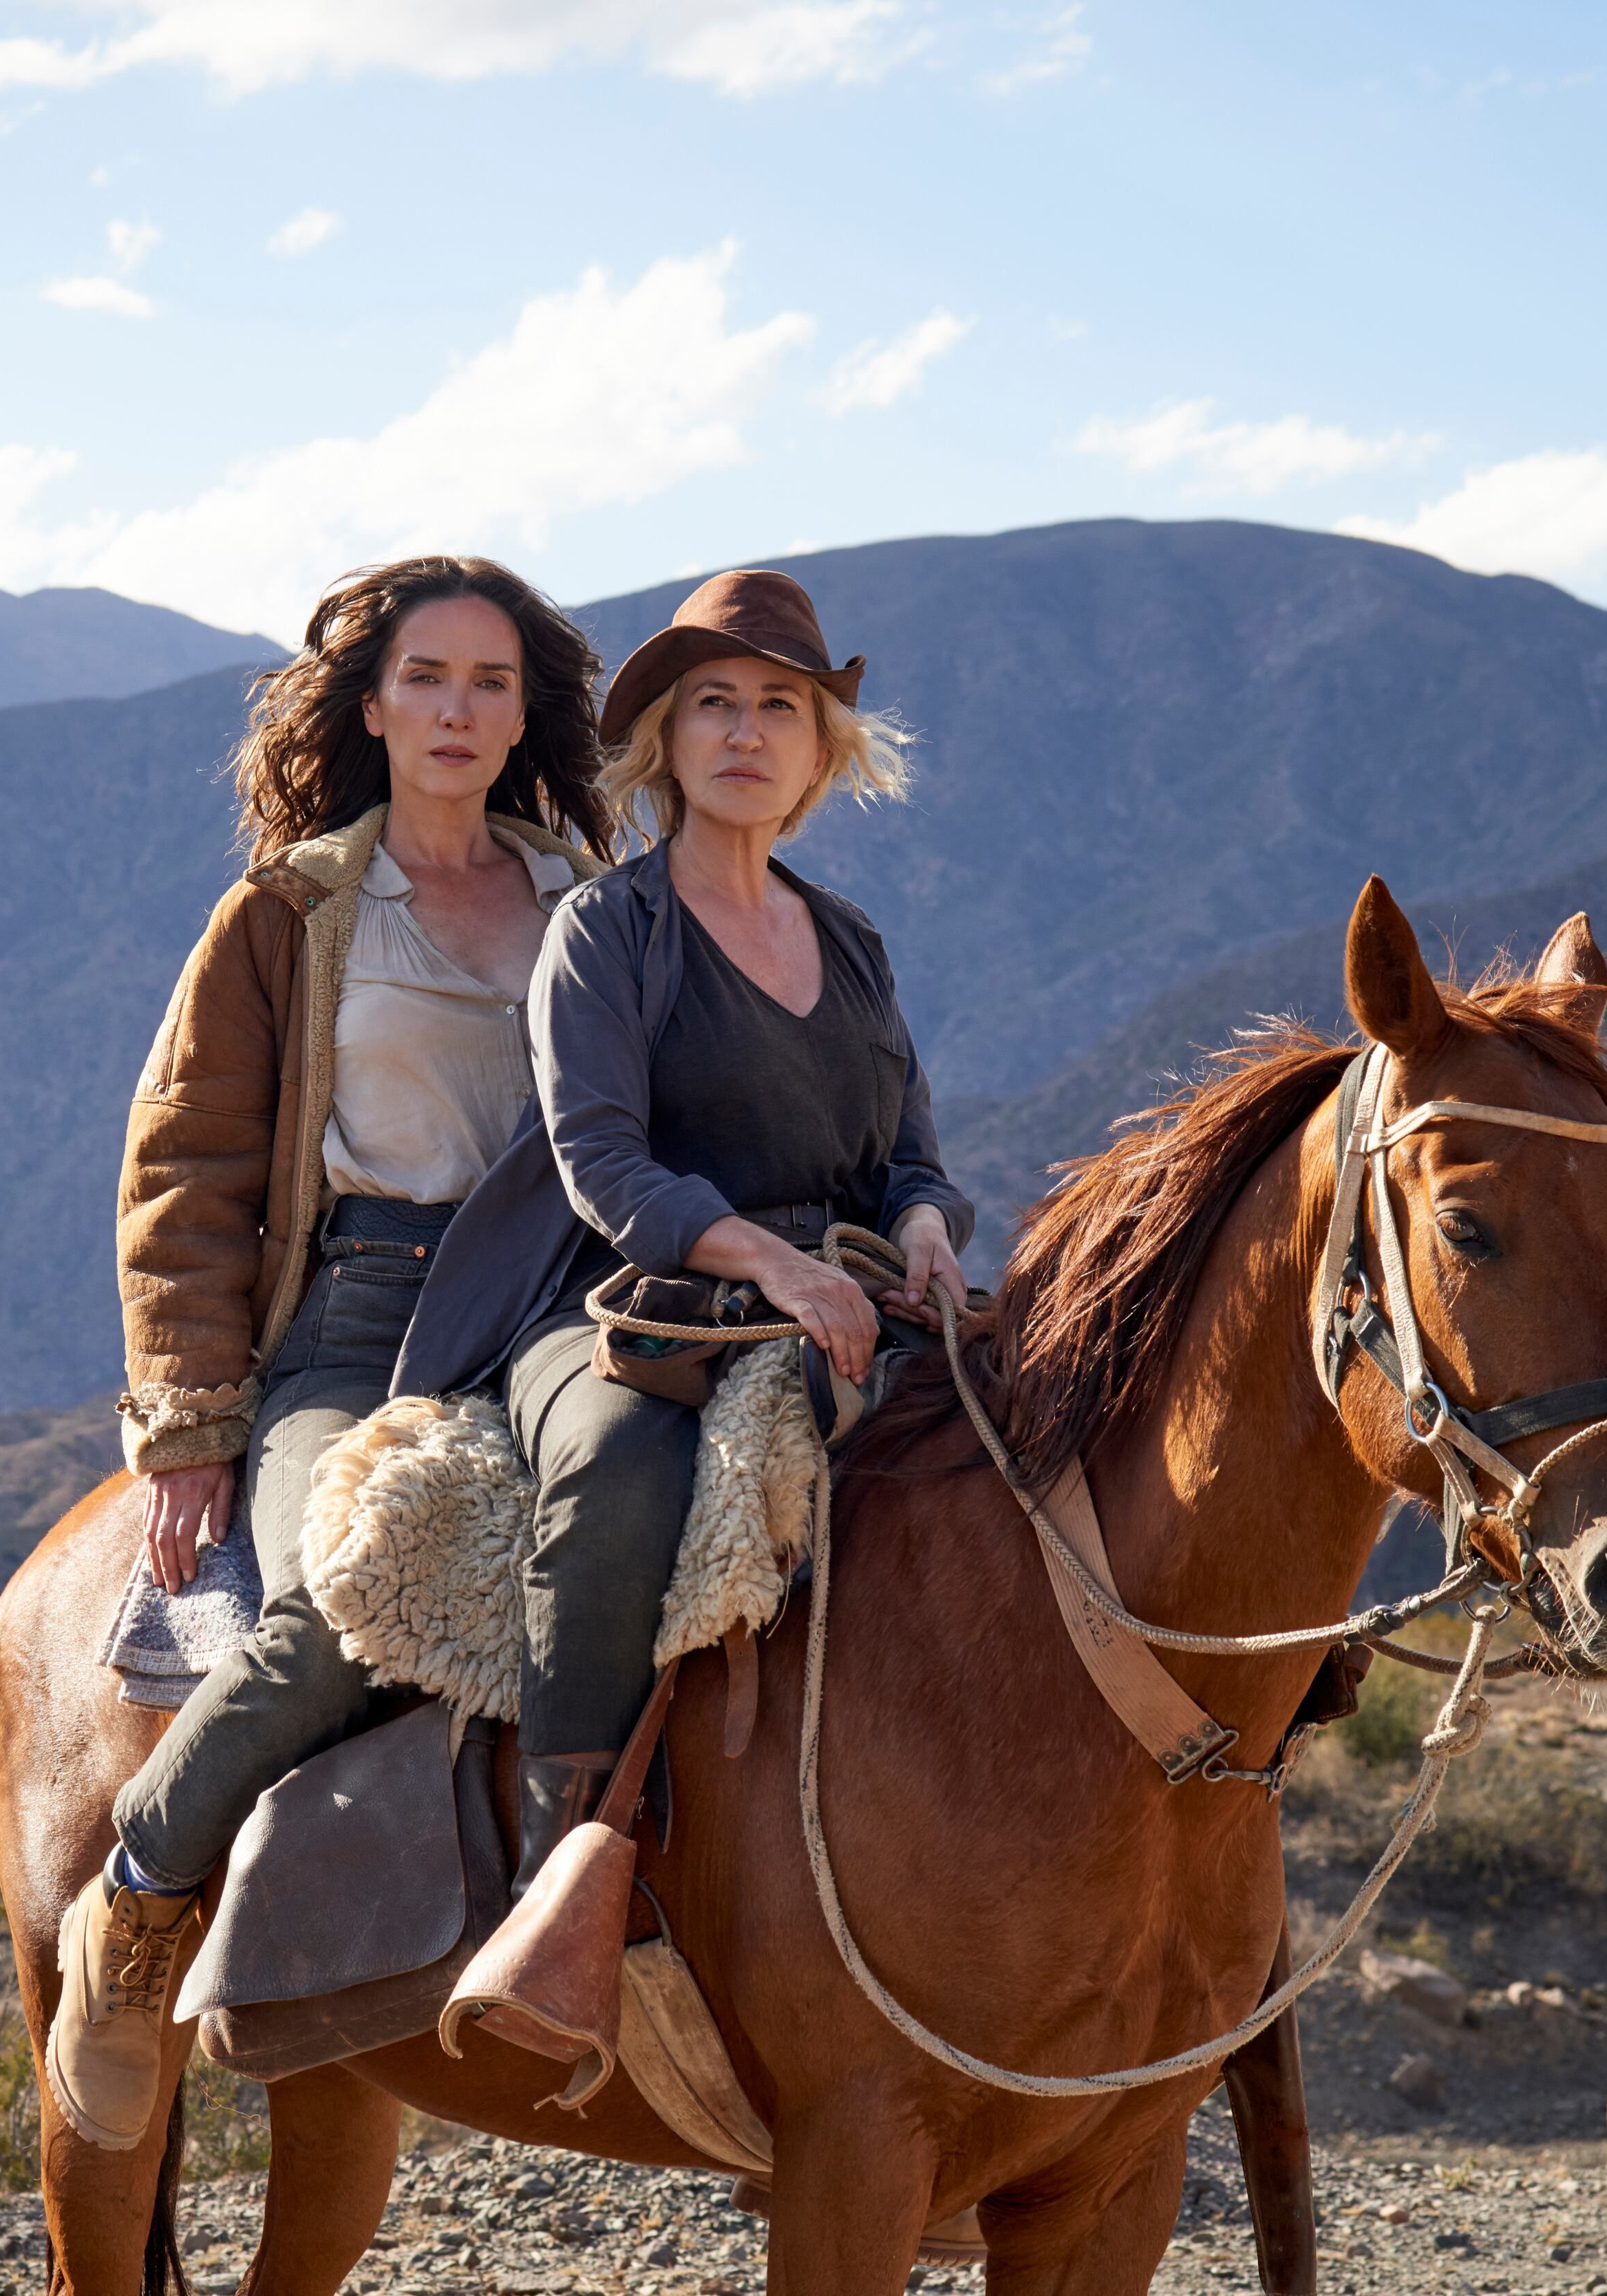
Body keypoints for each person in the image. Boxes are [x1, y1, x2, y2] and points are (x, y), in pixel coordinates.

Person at [48, 557, 617, 2149]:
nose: (458, 709)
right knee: (357, 1593)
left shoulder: (590, 905)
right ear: (372, 708)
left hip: (550, 1312)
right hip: (355, 1318)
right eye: (427, 678)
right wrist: (185, 1428)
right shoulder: (290, 911)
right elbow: (185, 1170)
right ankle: (145, 1892)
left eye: (490, 683)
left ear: (524, 717)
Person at [392, 568, 973, 1889]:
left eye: (781, 705)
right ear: (668, 739)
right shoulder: (610, 926)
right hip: (623, 1301)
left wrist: (929, 1227)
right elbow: (602, 1161)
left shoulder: (853, 939)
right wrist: (771, 1260)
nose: (748, 732)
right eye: (716, 703)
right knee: (614, 1479)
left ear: (822, 748)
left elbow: (911, 1154)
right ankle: (568, 1870)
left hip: (844, 1294)